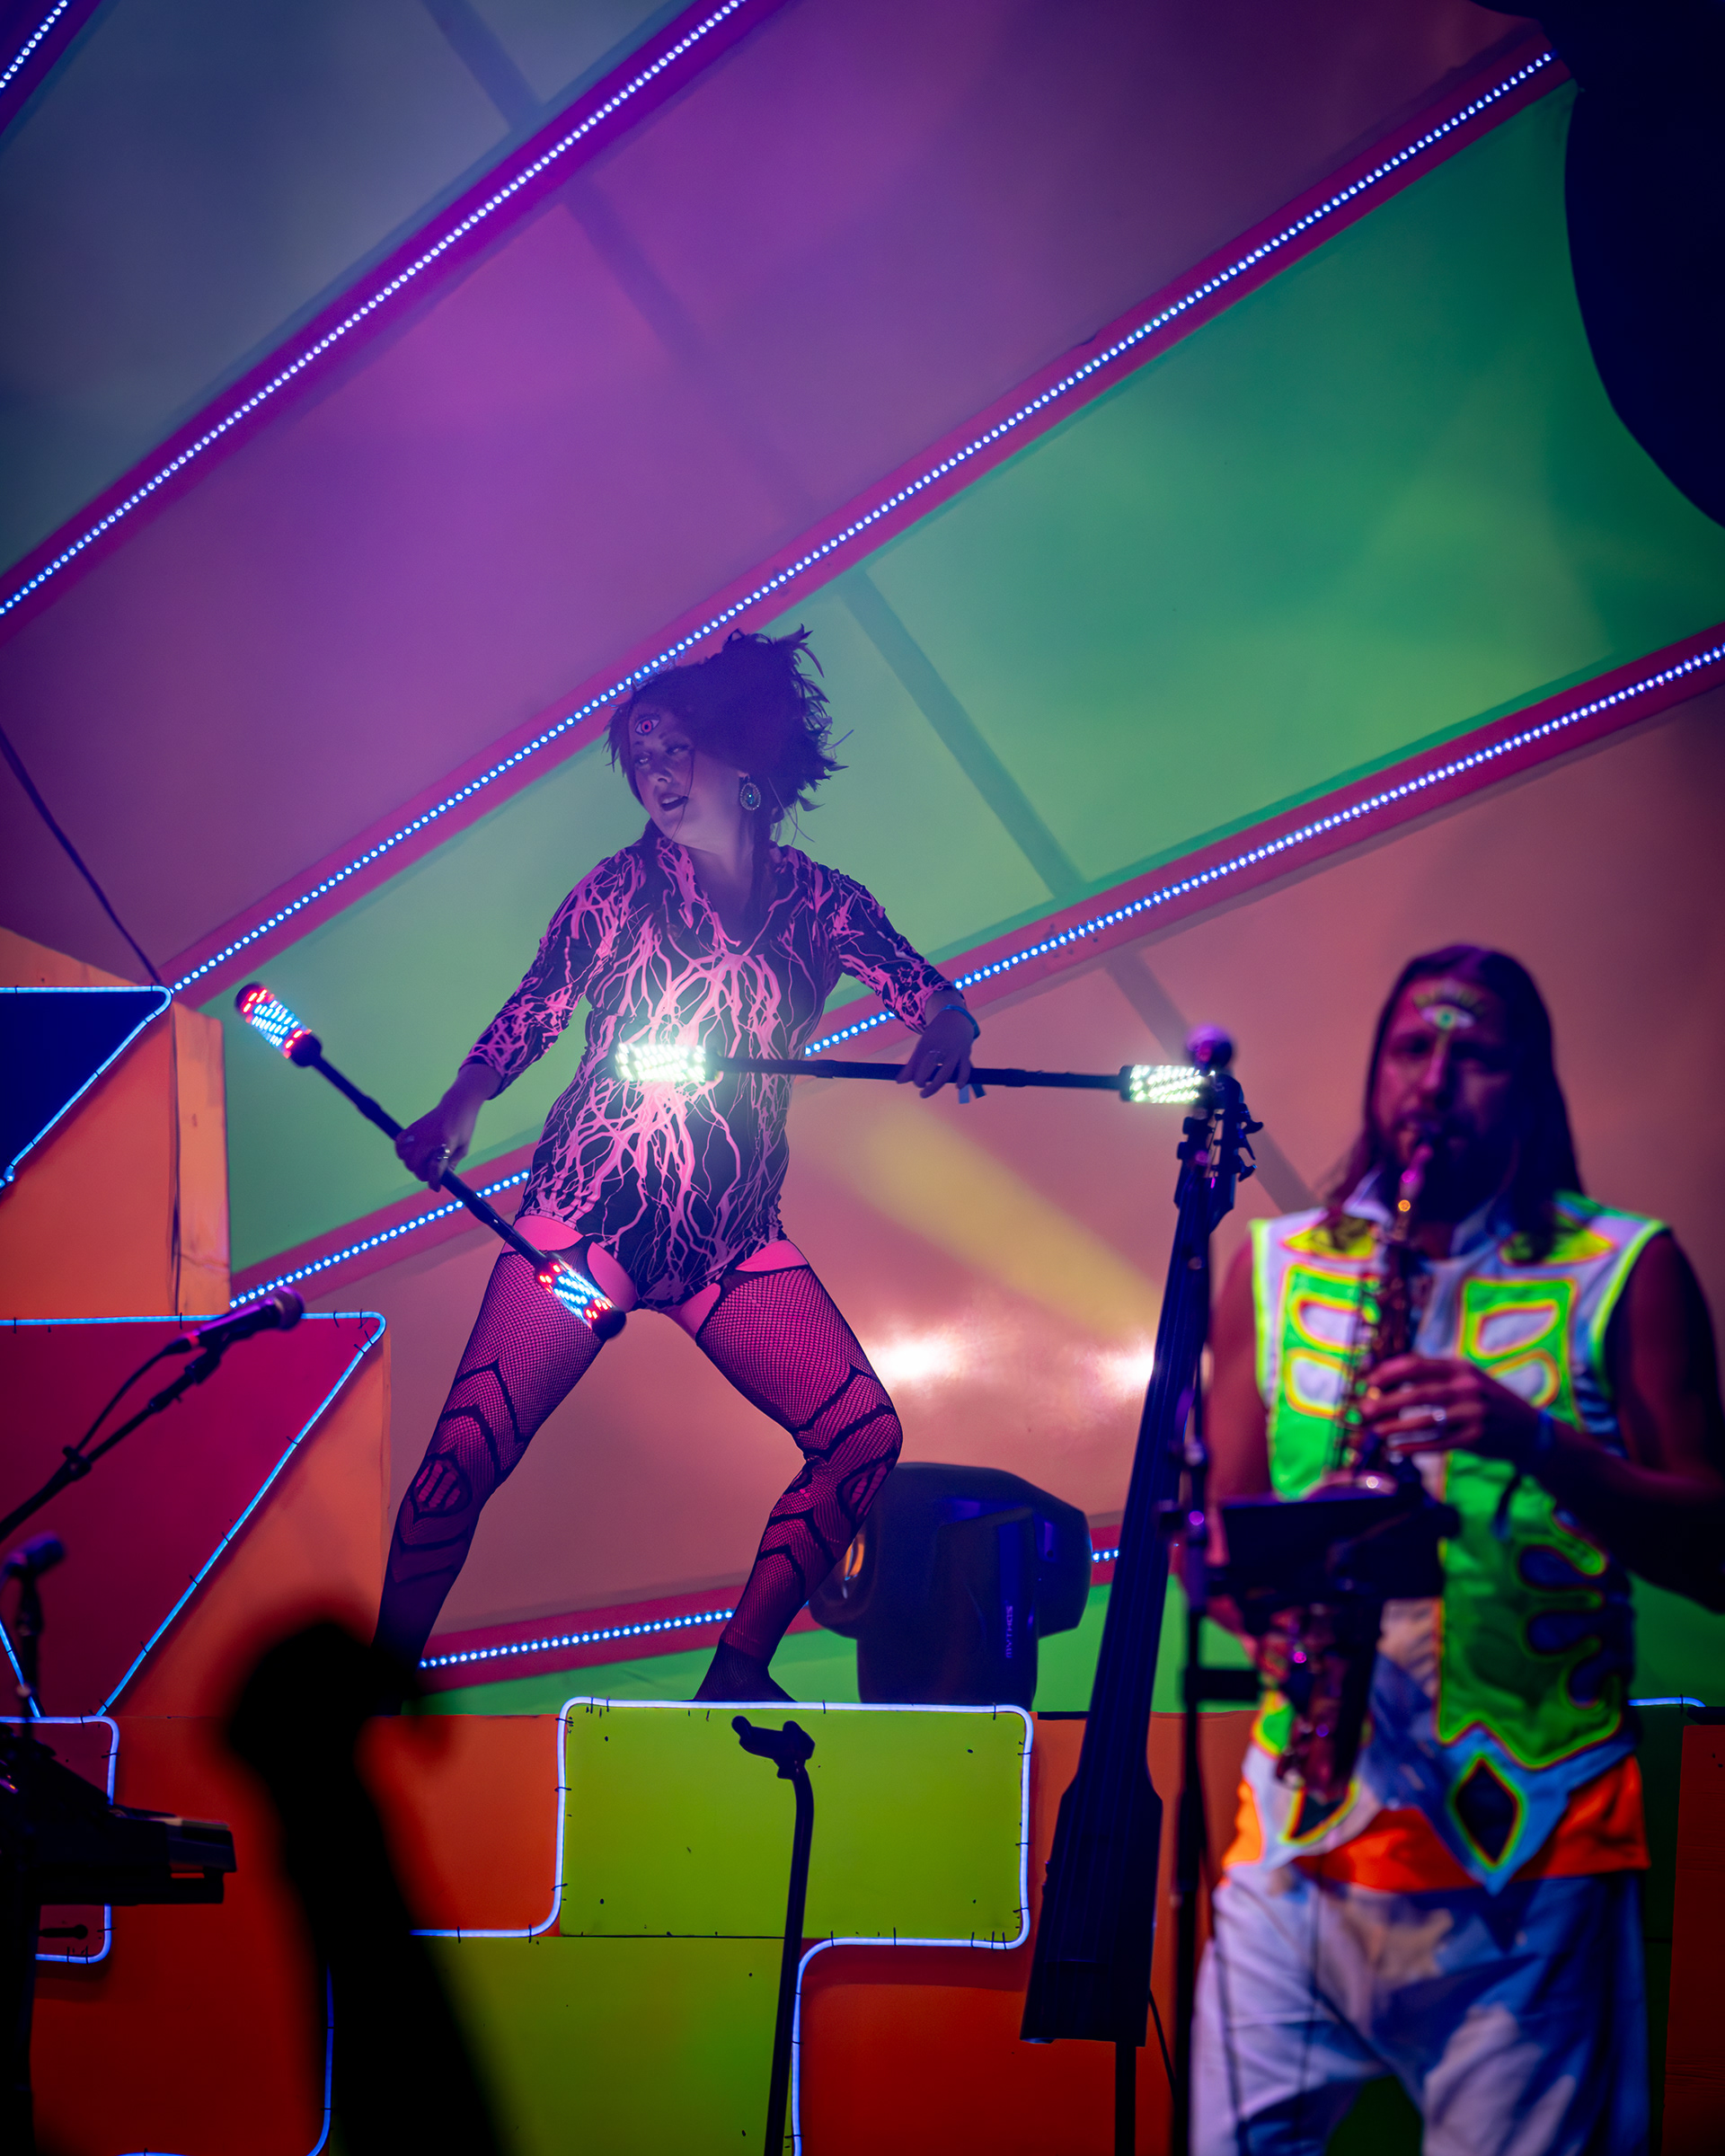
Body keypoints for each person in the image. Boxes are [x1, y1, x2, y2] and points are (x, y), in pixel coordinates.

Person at [375, 629, 979, 1703]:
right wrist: (462, 1100)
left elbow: (929, 992)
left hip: (728, 1242)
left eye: (674, 750)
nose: (653, 774)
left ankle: (737, 1671)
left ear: (740, 757)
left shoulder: (824, 902)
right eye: (638, 758)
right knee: (462, 1457)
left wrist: (947, 1029)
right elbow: (538, 1006)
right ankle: (374, 1692)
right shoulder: (617, 890)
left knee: (861, 1437)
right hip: (588, 1217)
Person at [1197, 945, 1725, 2156]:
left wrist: (1532, 1438)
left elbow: (1714, 1540)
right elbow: (1225, 1538)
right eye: (1409, 1050)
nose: (1433, 1083)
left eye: (1474, 1055)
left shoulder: (1627, 1268)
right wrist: (1266, 1615)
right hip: (1302, 1841)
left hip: (1534, 1856)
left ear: (1530, 1085)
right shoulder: (1273, 1267)